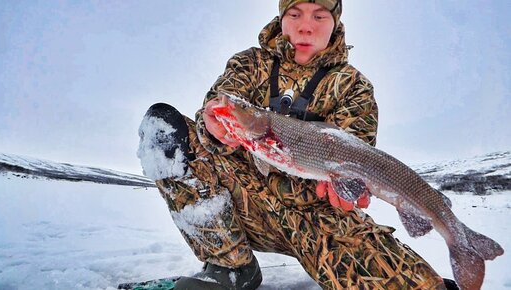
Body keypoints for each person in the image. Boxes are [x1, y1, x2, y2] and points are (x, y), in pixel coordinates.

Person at [137, 1, 458, 289]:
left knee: (422, 287)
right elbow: (216, 110)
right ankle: (230, 267)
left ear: (335, 22)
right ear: (281, 17)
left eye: (319, 15)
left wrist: (349, 190)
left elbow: (356, 154)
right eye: (295, 13)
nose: (306, 25)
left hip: (319, 215)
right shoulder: (249, 63)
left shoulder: (353, 86)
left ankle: (454, 243)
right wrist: (212, 121)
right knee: (162, 128)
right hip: (244, 202)